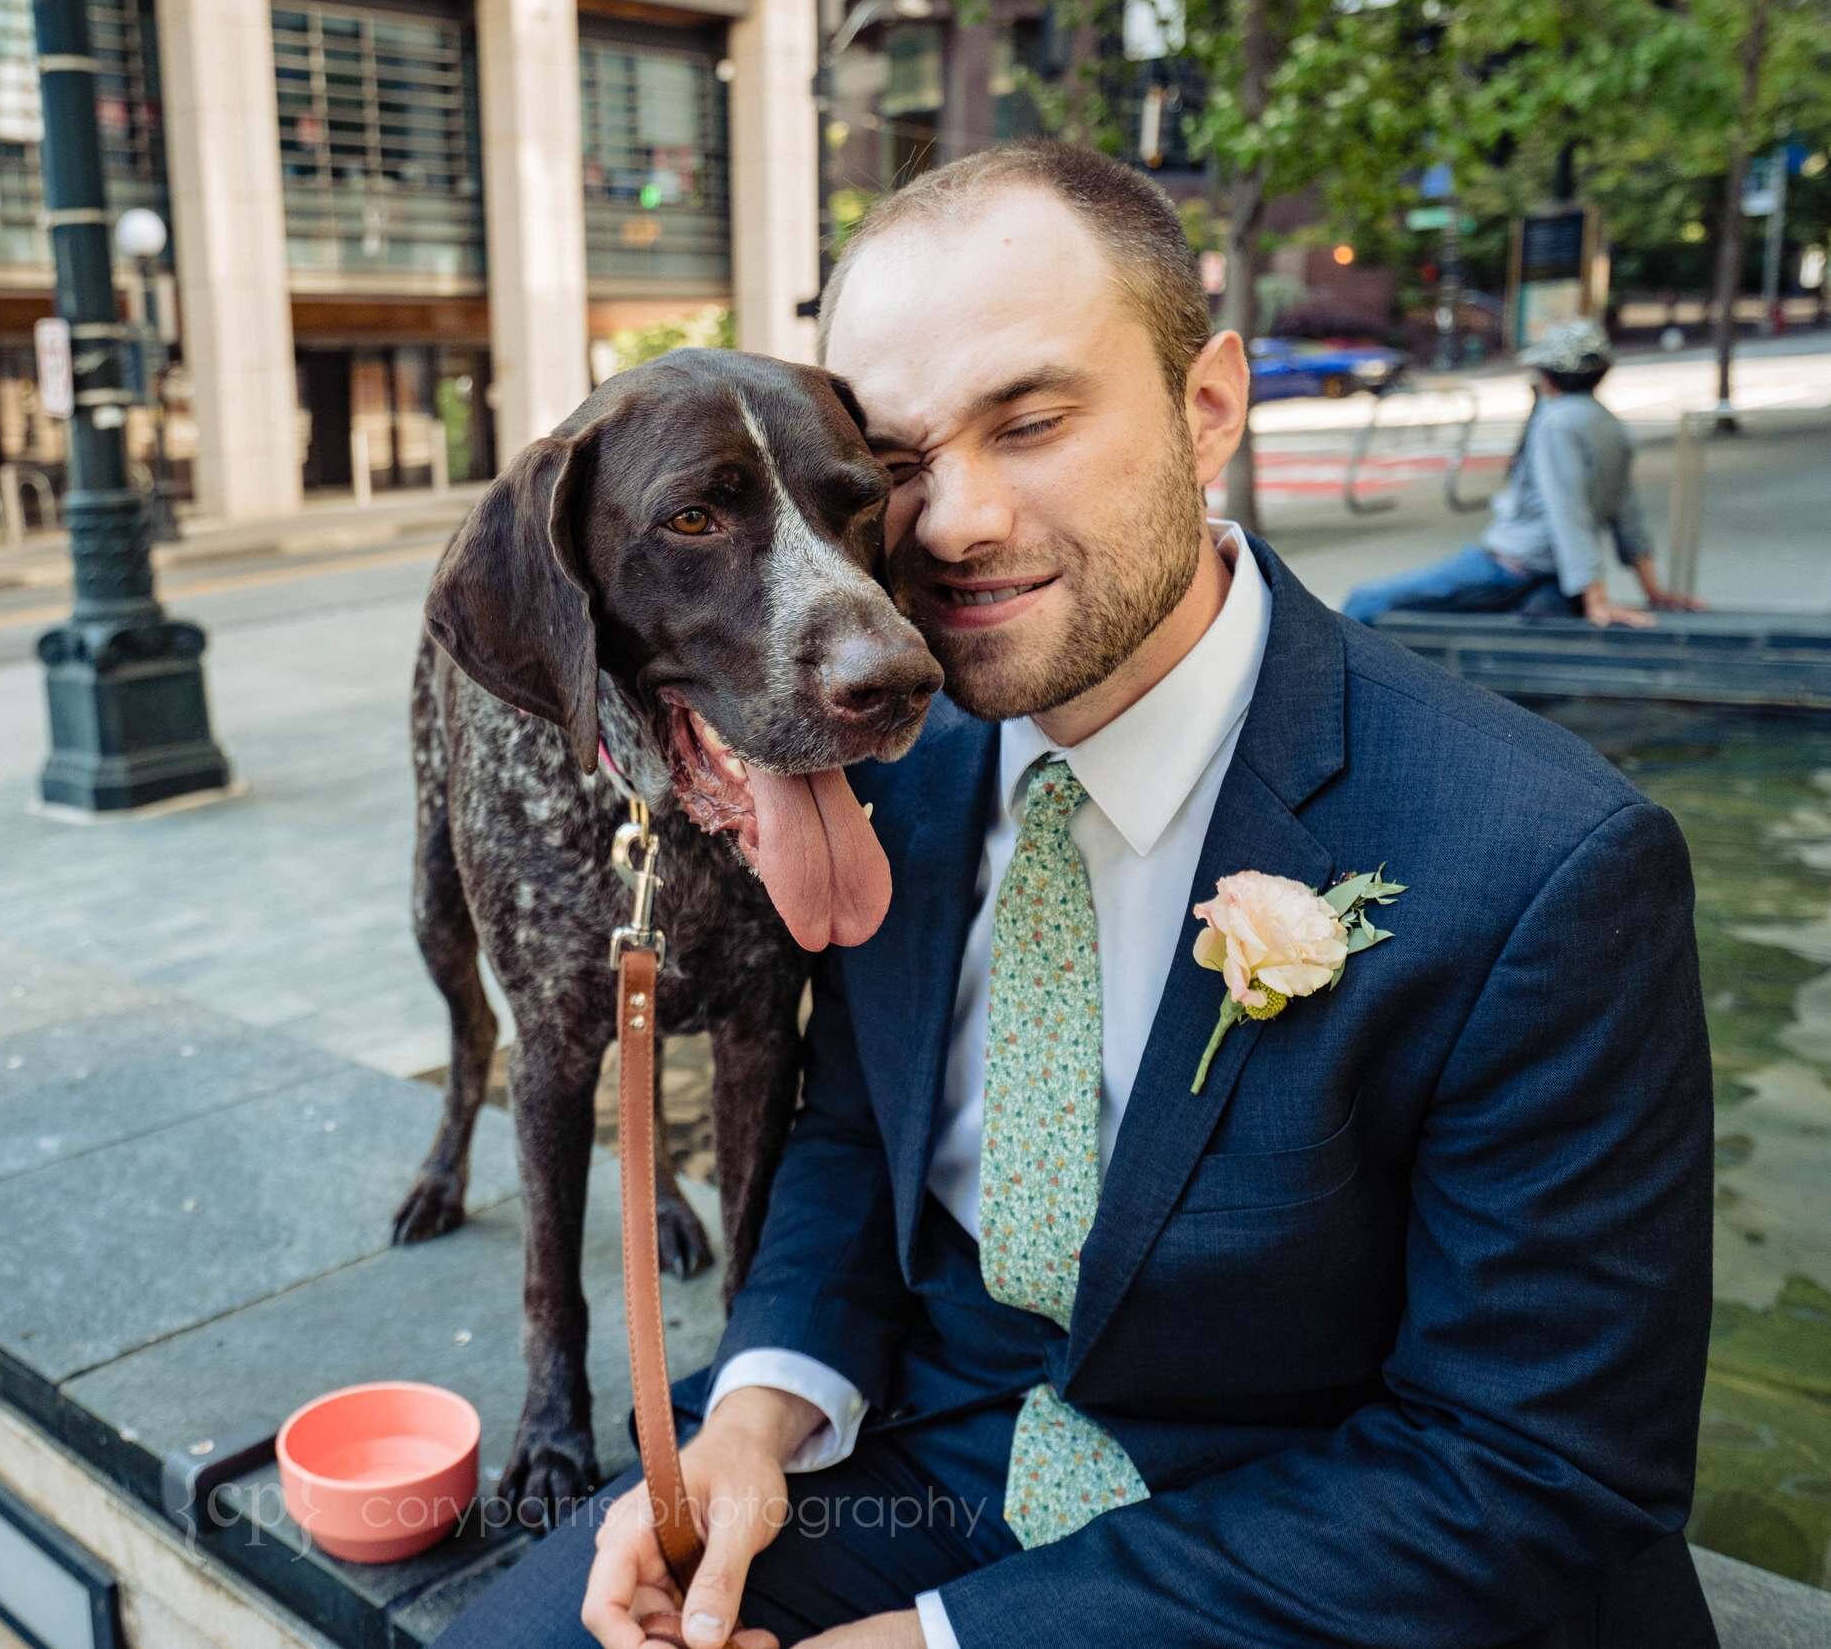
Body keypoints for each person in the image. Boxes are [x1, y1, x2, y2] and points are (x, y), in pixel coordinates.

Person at [433, 140, 1714, 1649]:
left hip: (1307, 1525)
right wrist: (756, 1418)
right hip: (928, 1440)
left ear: (1209, 404)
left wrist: (945, 1642)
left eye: (1031, 421)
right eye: (902, 464)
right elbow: (848, 1131)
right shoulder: (874, 779)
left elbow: (1533, 1476)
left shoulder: (1550, 862)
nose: (958, 522)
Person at [1342, 320, 1703, 628]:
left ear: (1548, 376)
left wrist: (1595, 599)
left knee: (1364, 602)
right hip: (1554, 576)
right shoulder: (1608, 424)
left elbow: (1568, 509)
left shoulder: (1556, 423)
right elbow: (1627, 514)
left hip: (1513, 567)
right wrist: (1653, 591)